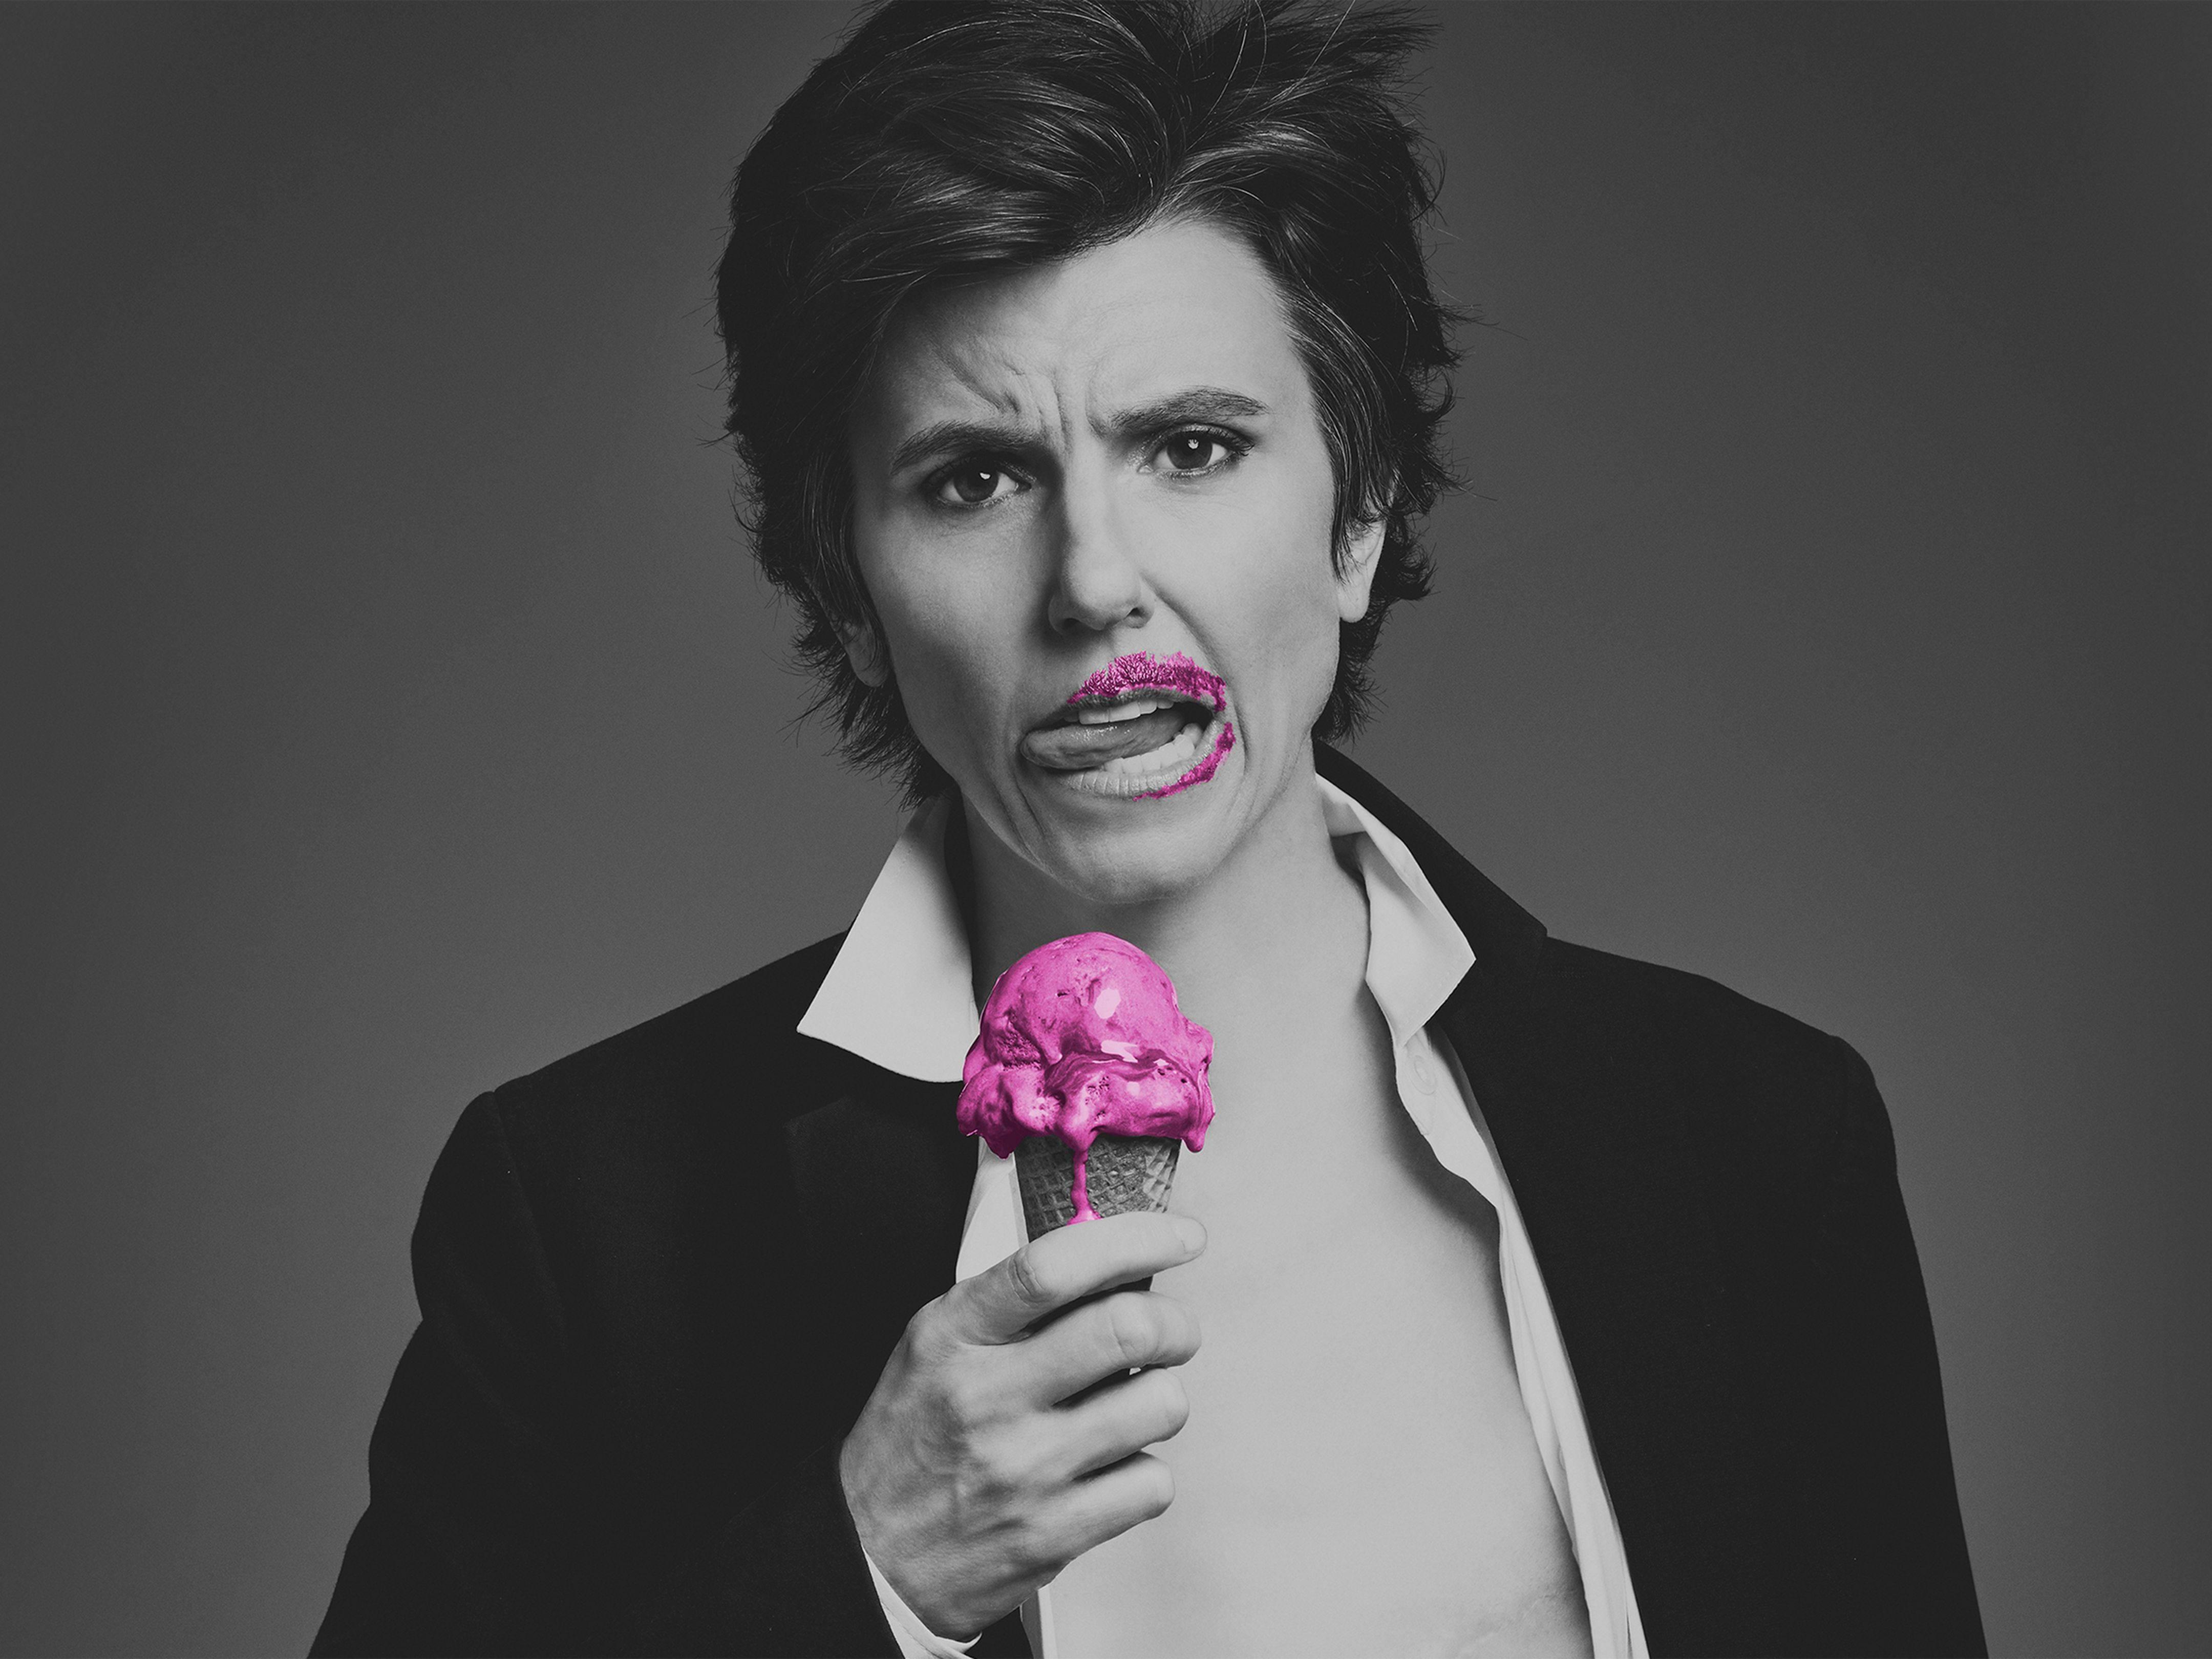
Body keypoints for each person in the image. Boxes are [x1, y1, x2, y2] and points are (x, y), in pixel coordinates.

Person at [312, 3, 1985, 1655]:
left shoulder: (1748, 1141)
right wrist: (863, 1573)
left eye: (1192, 447)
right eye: (973, 480)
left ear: (1358, 515)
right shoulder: (594, 1218)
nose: (1094, 581)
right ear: (849, 591)